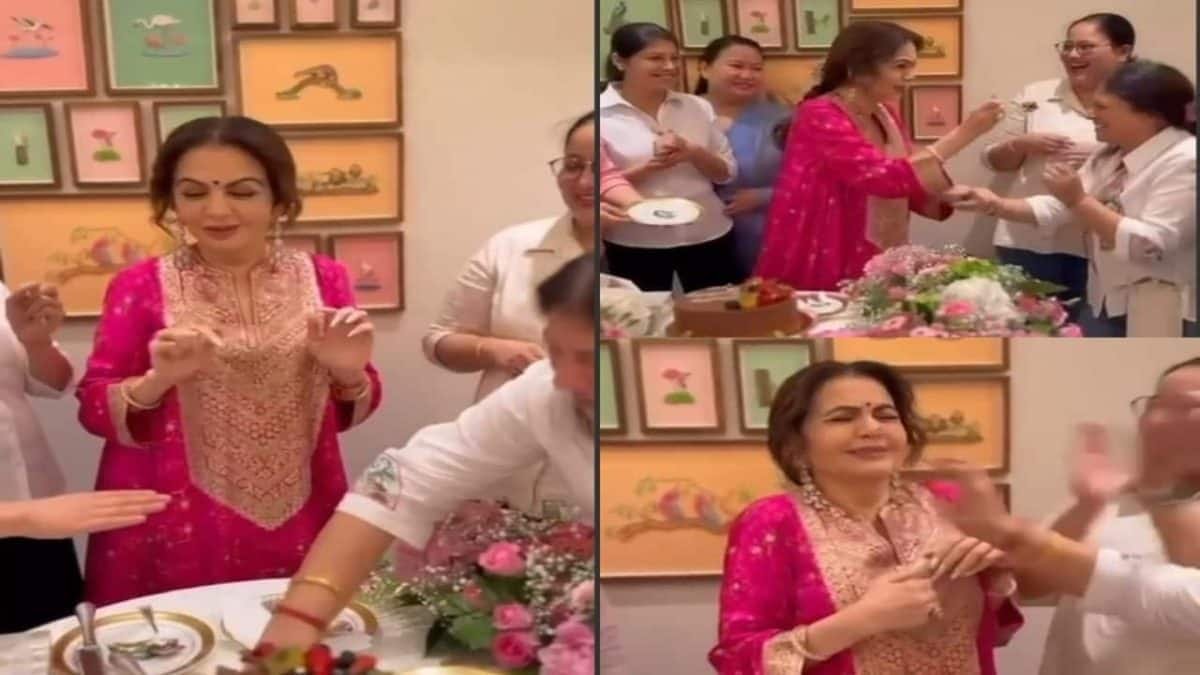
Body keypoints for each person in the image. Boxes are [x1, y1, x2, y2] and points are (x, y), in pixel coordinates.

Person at [256, 255, 621, 673]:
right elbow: (403, 483)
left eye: (586, 359)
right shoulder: (545, 393)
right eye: (555, 353)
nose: (565, 379)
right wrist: (293, 627)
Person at [75, 116, 383, 606]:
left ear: (279, 200)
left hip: (302, 505)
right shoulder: (139, 285)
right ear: (172, 202)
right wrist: (158, 381)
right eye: (194, 193)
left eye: (241, 191)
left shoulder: (326, 279)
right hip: (174, 514)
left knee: (295, 634)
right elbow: (93, 405)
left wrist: (347, 371)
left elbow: (350, 407)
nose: (216, 210)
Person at [709, 360, 1022, 674]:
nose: (872, 428)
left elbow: (996, 631)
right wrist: (864, 618)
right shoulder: (772, 522)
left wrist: (997, 573)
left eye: (886, 416)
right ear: (796, 444)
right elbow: (737, 660)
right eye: (842, 418)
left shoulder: (947, 501)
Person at [420, 113, 598, 513]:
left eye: (603, 167)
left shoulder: (659, 259)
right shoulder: (510, 246)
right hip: (507, 475)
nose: (585, 183)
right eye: (573, 166)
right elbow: (438, 340)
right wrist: (492, 350)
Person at [754, 21, 1003, 292]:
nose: (911, 76)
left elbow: (902, 172)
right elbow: (881, 177)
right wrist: (965, 133)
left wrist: (945, 194)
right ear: (858, 68)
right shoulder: (820, 113)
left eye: (912, 66)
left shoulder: (884, 113)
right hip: (831, 238)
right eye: (901, 66)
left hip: (876, 245)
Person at [955, 60, 1195, 337]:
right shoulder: (1111, 154)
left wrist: (1079, 200)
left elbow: (1152, 245)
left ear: (1149, 114)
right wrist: (993, 204)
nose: (1092, 114)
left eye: (1102, 107)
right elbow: (1060, 207)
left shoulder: (1185, 160)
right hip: (1107, 299)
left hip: (1164, 308)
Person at [1024, 358, 1200, 674]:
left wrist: (1159, 488)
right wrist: (1086, 506)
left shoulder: (1158, 496)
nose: (1160, 420)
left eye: (1188, 407)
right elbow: (1029, 584)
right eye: (1157, 405)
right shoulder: (1109, 493)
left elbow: (1189, 596)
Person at [982, 13, 1136, 322]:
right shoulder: (1036, 95)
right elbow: (994, 161)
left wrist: (1104, 154)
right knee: (1026, 329)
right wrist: (1020, 144)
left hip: (1103, 243)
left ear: (1123, 51)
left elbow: (1163, 155)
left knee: (1095, 331)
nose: (1072, 55)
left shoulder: (1144, 98)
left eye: (1085, 47)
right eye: (1067, 46)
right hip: (1027, 238)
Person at [600, 22, 739, 292]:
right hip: (635, 239)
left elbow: (727, 173)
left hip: (707, 231)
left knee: (715, 309)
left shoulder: (696, 106)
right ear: (620, 60)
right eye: (655, 58)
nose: (670, 66)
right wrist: (647, 168)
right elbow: (595, 183)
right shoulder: (599, 115)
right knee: (643, 313)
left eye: (674, 58)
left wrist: (693, 152)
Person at [695, 35, 791, 280]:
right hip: (693, 235)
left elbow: (813, 177)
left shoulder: (784, 119)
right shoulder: (679, 112)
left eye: (756, 69)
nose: (747, 75)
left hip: (762, 232)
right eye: (736, 66)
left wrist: (766, 195)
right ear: (704, 68)